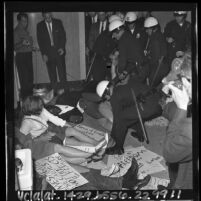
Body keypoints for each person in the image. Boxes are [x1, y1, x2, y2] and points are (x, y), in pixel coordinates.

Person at [19, 95, 108, 163]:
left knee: (71, 131)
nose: (42, 109)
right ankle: (92, 154)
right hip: (39, 142)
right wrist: (39, 138)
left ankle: (96, 144)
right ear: (32, 109)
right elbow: (23, 143)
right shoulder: (26, 123)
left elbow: (53, 118)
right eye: (39, 108)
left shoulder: (40, 109)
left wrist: (67, 124)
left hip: (50, 131)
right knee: (60, 148)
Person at [96, 77, 162, 155]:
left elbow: (117, 119)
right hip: (157, 102)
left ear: (106, 92)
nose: (106, 99)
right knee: (130, 113)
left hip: (149, 107)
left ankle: (118, 148)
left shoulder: (115, 97)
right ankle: (140, 135)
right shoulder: (120, 87)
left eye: (105, 97)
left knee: (122, 120)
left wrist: (112, 138)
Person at [162, 51, 192, 189]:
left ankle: (174, 186)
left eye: (186, 79)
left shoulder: (189, 130)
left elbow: (169, 153)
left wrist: (181, 107)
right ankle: (172, 183)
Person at [36, 12, 67, 95]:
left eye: (50, 17)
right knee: (52, 75)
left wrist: (62, 47)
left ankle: (66, 93)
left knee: (62, 74)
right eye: (46, 18)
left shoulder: (58, 22)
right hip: (48, 54)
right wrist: (43, 54)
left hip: (58, 52)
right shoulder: (39, 25)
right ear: (43, 16)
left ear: (51, 15)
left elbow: (63, 36)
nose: (49, 19)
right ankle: (55, 94)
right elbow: (40, 41)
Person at [109, 19, 145, 84]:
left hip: (137, 70)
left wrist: (119, 73)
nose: (113, 36)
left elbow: (123, 60)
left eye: (113, 34)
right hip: (141, 68)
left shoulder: (122, 41)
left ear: (118, 31)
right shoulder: (127, 36)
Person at [144, 16, 169, 87]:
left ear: (152, 28)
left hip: (159, 67)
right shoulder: (158, 35)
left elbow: (155, 57)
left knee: (152, 86)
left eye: (147, 29)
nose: (146, 31)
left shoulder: (155, 39)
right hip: (162, 66)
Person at [14, 13, 35, 99]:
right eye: (23, 21)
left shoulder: (25, 31)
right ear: (18, 21)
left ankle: (30, 102)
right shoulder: (16, 31)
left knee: (30, 79)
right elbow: (14, 47)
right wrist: (21, 43)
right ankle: (26, 104)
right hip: (22, 57)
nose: (25, 23)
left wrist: (32, 47)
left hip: (28, 55)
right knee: (25, 81)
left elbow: (27, 44)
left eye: (26, 21)